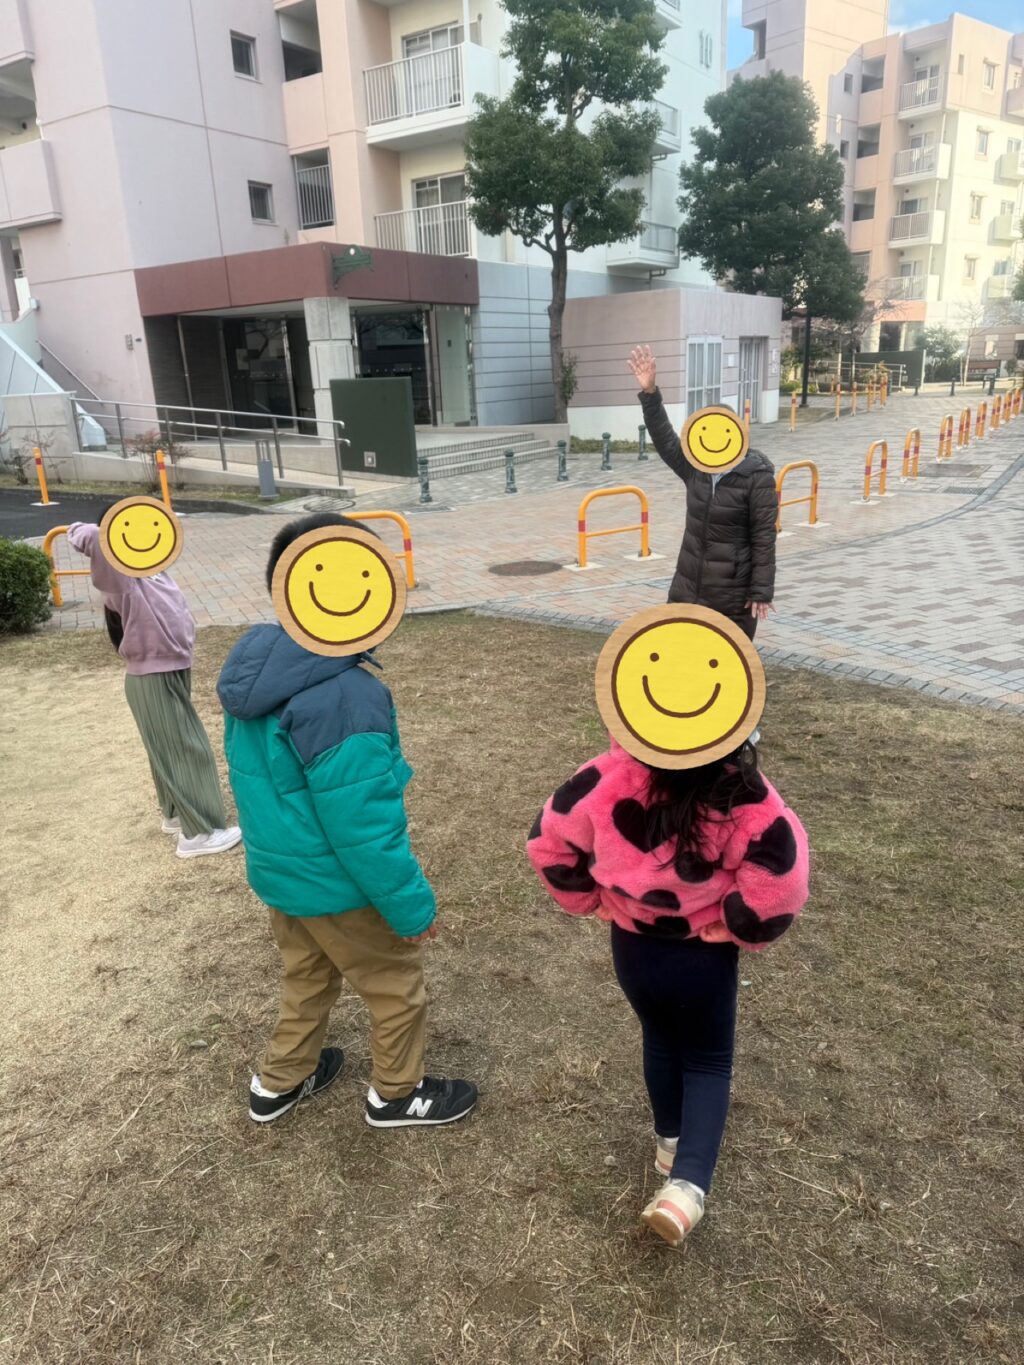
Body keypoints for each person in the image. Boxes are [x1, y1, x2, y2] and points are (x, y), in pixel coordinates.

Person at [216, 513, 478, 1129]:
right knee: (395, 985)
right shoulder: (344, 696)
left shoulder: (257, 670)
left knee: (307, 976)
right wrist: (411, 908)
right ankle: (396, 1094)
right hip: (339, 885)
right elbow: (363, 827)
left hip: (284, 875)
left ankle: (279, 1082)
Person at [527, 736, 809, 1247]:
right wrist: (740, 925)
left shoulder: (605, 775)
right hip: (702, 956)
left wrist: (589, 900)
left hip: (633, 950)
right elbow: (781, 878)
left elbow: (548, 842)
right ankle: (687, 1188)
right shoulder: (744, 793)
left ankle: (669, 1144)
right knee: (707, 1060)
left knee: (659, 1037)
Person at [66, 512, 241, 859]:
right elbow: (84, 534)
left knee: (169, 747)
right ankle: (200, 833)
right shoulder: (122, 576)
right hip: (151, 675)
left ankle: (175, 814)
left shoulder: (150, 570)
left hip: (169, 670)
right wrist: (118, 527)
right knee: (188, 748)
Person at [627, 344, 777, 640]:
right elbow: (664, 438)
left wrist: (761, 590)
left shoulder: (757, 477)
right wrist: (650, 392)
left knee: (726, 658)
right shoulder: (695, 467)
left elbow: (764, 537)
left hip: (731, 593)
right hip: (688, 583)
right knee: (678, 652)